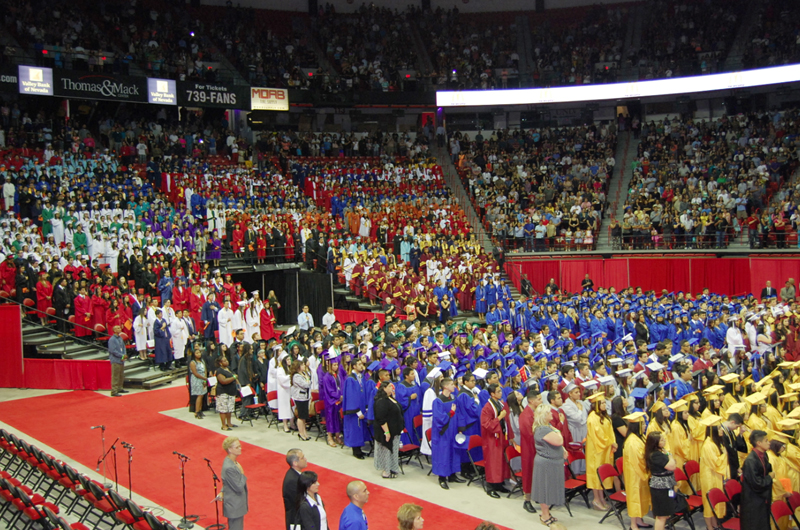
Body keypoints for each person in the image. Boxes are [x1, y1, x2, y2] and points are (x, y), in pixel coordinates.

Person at [532, 402, 565, 526]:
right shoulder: (542, 429)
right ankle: (544, 516)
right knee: (544, 490)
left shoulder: (548, 426)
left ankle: (547, 513)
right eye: (549, 412)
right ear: (543, 415)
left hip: (552, 463)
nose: (552, 413)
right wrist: (558, 432)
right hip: (546, 464)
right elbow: (559, 440)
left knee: (549, 489)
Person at [645, 431, 684, 530]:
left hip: (667, 486)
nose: (664, 441)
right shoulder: (655, 455)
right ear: (655, 442)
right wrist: (670, 457)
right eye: (661, 440)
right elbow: (672, 466)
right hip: (660, 489)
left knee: (666, 514)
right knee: (661, 516)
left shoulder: (661, 451)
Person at [586, 392, 616, 510]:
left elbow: (610, 431)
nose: (605, 405)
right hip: (596, 450)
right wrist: (610, 442)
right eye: (602, 403)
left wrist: (613, 442)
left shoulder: (603, 416)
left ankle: (602, 498)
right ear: (596, 404)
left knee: (602, 474)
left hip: (605, 449)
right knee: (596, 474)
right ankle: (596, 499)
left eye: (605, 402)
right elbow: (598, 435)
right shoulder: (592, 417)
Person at [432, 377, 464, 489]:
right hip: (443, 432)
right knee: (443, 453)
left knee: (453, 452)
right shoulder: (438, 401)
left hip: (453, 429)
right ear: (445, 387)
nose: (454, 386)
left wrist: (460, 427)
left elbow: (459, 413)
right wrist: (451, 412)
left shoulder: (453, 398)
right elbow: (438, 418)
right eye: (451, 384)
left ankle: (452, 475)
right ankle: (442, 478)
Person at [699, 415, 728, 530]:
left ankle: (715, 524)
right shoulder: (708, 445)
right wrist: (724, 454)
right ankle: (709, 527)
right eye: (720, 428)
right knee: (709, 502)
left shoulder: (715, 442)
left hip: (715, 475)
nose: (722, 430)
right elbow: (716, 463)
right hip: (709, 476)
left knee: (715, 502)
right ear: (713, 430)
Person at [622, 412, 651, 530]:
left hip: (640, 472)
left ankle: (639, 519)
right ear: (637, 426)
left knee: (641, 496)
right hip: (634, 473)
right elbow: (638, 460)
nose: (645, 426)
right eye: (643, 424)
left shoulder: (640, 437)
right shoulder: (632, 441)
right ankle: (633, 524)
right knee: (634, 497)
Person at [480, 382, 509, 498]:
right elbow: (486, 424)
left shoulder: (499, 403)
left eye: (501, 391)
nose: (501, 393)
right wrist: (500, 417)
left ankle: (499, 483)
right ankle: (490, 486)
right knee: (493, 462)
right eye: (498, 392)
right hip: (491, 438)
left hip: (500, 436)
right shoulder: (487, 408)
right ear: (492, 394)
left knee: (500, 461)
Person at [741, 430, 774, 530]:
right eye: (766, 440)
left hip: (761, 498)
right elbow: (757, 483)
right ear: (759, 443)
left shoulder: (764, 455)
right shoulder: (751, 460)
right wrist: (770, 477)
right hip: (753, 500)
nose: (769, 443)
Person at [372, 380, 404, 479]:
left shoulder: (390, 398)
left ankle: (393, 468)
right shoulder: (381, 401)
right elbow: (381, 418)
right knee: (386, 450)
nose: (392, 388)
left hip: (395, 430)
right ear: (384, 388)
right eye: (390, 386)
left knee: (393, 451)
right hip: (386, 431)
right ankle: (386, 470)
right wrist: (387, 432)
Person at [518, 387, 539, 513]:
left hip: (538, 447)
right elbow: (529, 434)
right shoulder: (525, 415)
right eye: (539, 399)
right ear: (531, 401)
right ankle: (527, 500)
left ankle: (537, 495)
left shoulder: (537, 412)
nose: (541, 401)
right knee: (529, 473)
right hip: (529, 448)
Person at [221, 437, 248, 530]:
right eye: (237, 447)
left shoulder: (232, 461)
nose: (240, 448)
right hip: (234, 505)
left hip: (236, 504)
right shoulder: (229, 467)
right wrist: (242, 473)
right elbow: (239, 487)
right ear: (230, 449)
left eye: (240, 446)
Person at [343, 358, 367, 459]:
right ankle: (356, 451)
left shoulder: (360, 377)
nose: (361, 366)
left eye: (362, 364)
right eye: (359, 364)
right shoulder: (351, 379)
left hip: (361, 406)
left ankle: (359, 449)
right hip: (354, 410)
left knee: (360, 429)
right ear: (354, 366)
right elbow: (351, 396)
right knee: (355, 429)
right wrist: (358, 411)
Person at [283, 449, 308, 530]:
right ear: (295, 463)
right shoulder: (292, 480)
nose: (305, 459)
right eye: (302, 458)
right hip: (297, 521)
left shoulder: (297, 475)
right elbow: (299, 502)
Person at [291, 361, 312, 441]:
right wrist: (309, 382)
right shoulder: (296, 376)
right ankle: (301, 433)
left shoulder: (304, 373)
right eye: (302, 365)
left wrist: (308, 381)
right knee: (301, 416)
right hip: (300, 398)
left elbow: (308, 381)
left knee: (304, 416)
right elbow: (305, 384)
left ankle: (305, 432)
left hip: (306, 397)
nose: (304, 366)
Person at [215, 356, 238, 431]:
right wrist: (233, 378)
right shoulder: (219, 371)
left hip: (231, 391)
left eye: (227, 360)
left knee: (229, 408)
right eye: (224, 361)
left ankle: (229, 423)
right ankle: (223, 425)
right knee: (223, 409)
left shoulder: (229, 368)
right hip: (223, 392)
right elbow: (223, 381)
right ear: (220, 363)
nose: (227, 362)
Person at [108, 325, 127, 397]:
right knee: (115, 376)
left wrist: (124, 355)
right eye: (118, 328)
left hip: (121, 359)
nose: (120, 329)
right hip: (116, 360)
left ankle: (120, 388)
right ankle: (114, 391)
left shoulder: (120, 338)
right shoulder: (112, 339)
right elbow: (113, 351)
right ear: (114, 330)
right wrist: (121, 356)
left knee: (121, 375)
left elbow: (123, 347)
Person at [189, 347, 208, 418]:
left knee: (202, 395)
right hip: (197, 379)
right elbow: (195, 373)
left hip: (203, 379)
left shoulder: (202, 361)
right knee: (199, 395)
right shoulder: (193, 362)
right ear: (194, 354)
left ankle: (200, 410)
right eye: (197, 353)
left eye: (199, 352)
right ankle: (197, 412)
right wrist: (204, 378)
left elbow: (205, 370)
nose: (199, 354)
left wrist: (205, 380)